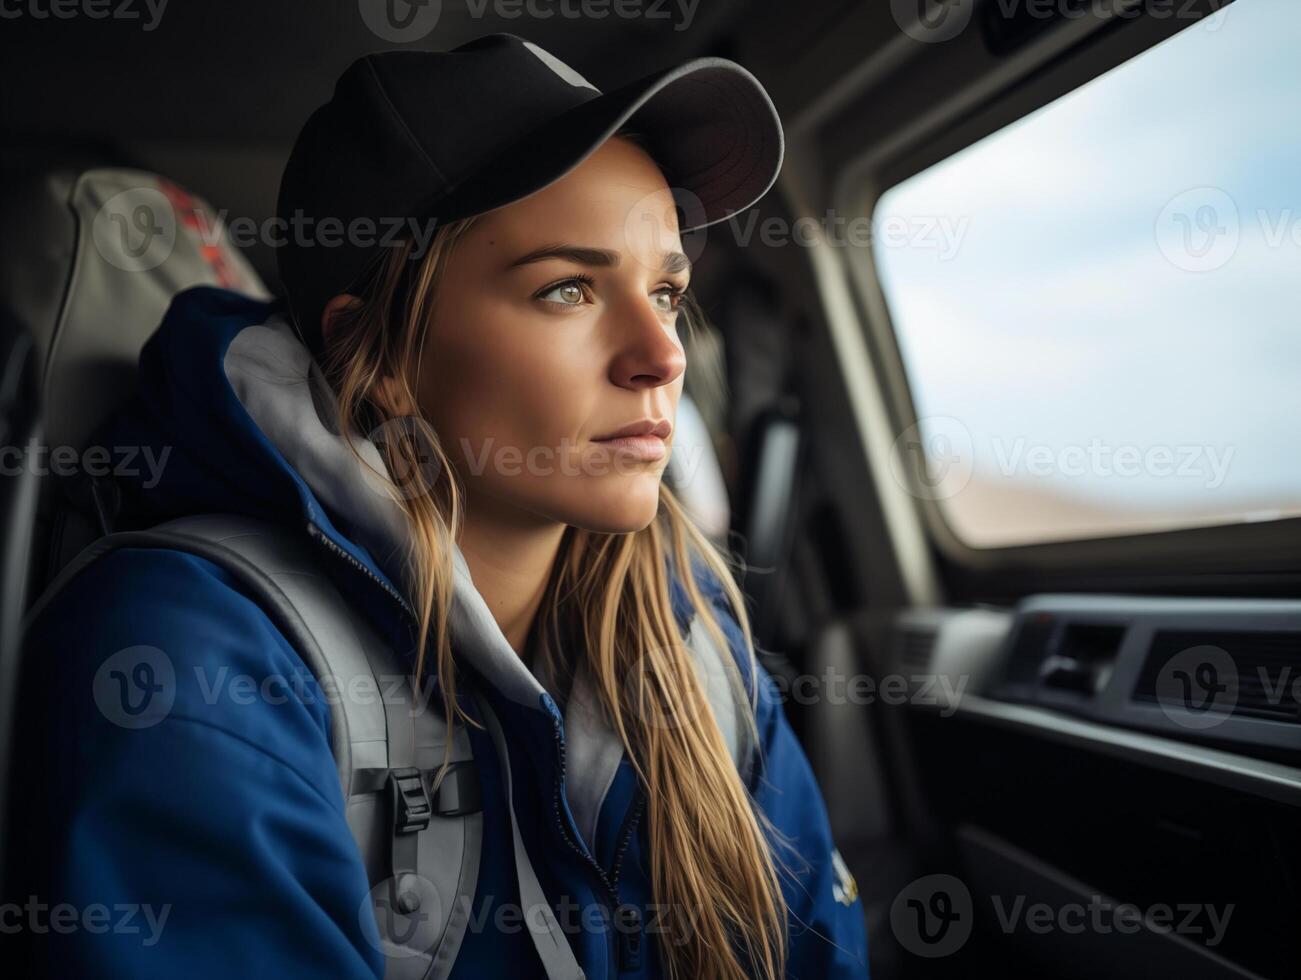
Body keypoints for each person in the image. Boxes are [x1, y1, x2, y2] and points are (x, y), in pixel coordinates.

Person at [17, 34, 868, 979]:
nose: (661, 356)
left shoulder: (700, 652)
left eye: (665, 291)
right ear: (377, 360)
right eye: (569, 288)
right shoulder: (189, 659)